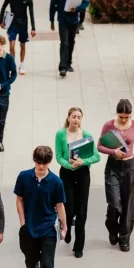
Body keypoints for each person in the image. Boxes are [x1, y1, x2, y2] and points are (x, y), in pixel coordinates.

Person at [15, 146, 67, 268]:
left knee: (47, 266)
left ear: (49, 162)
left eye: (44, 163)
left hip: (48, 229)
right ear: (34, 160)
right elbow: (19, 200)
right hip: (29, 227)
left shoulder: (56, 182)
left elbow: (60, 206)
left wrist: (65, 227)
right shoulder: (24, 177)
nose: (41, 166)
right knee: (31, 259)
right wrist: (22, 222)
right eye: (38, 162)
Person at [97, 99, 134, 252]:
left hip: (129, 167)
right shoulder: (109, 125)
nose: (124, 119)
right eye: (121, 117)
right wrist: (113, 152)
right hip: (113, 167)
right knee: (114, 203)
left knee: (128, 204)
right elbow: (99, 146)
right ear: (116, 114)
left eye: (127, 117)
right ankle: (112, 228)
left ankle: (124, 237)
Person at [55, 107, 101, 258]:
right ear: (68, 118)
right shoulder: (61, 134)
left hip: (82, 173)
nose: (76, 119)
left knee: (82, 210)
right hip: (67, 173)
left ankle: (79, 245)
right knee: (68, 208)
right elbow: (59, 156)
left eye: (79, 117)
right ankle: (66, 228)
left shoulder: (86, 135)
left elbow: (96, 156)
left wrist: (83, 161)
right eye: (73, 116)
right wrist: (69, 165)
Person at [49, 0, 89, 77]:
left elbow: (86, 2)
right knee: (64, 43)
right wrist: (51, 21)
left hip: (73, 21)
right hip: (62, 21)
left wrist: (77, 9)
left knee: (71, 42)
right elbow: (52, 7)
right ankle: (62, 67)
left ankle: (68, 63)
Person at [0, 0, 35, 75]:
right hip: (13, 23)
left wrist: (33, 28)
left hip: (23, 24)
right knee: (12, 45)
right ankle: (12, 65)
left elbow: (31, 13)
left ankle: (21, 65)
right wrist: (1, 21)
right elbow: (3, 7)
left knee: (22, 45)